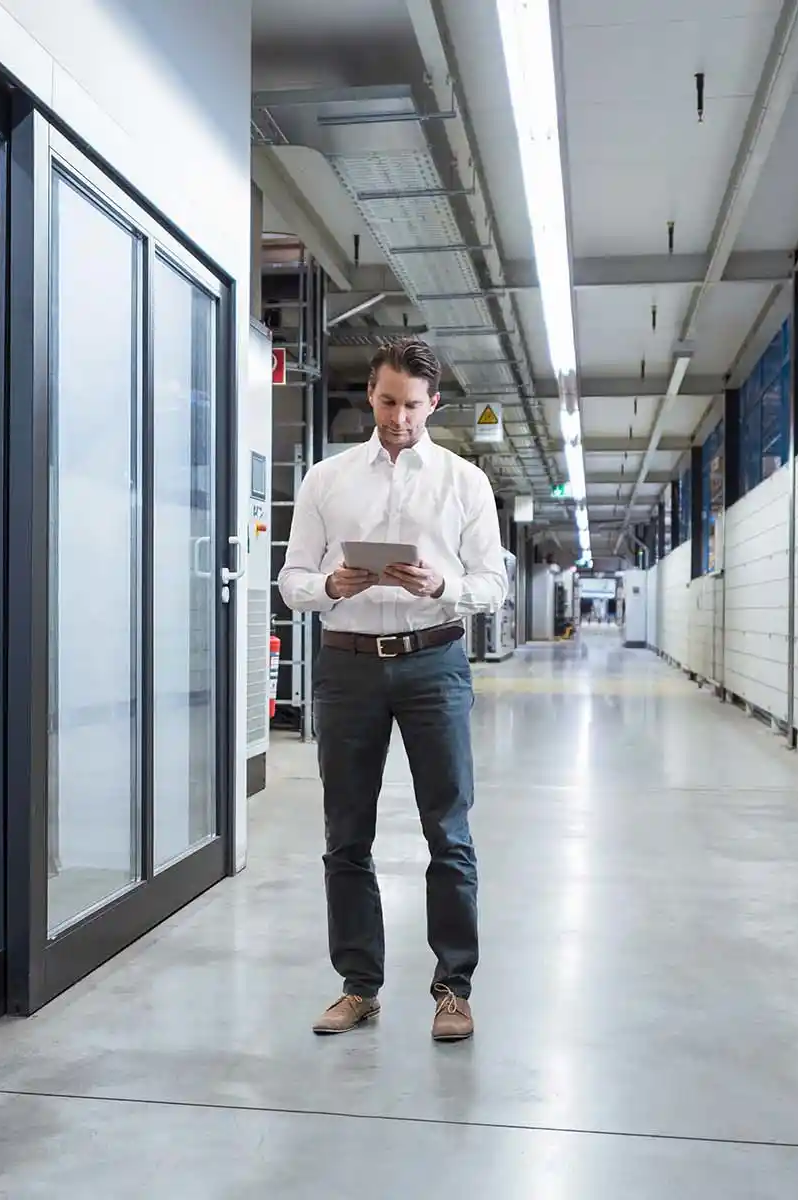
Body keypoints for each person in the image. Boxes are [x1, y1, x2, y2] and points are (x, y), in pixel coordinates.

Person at [278, 337, 507, 1043]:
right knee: (346, 834)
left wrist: (444, 585)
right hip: (347, 665)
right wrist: (331, 586)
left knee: (448, 829)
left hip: (434, 661)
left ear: (432, 403)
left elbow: (493, 586)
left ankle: (453, 989)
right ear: (369, 397)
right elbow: (292, 582)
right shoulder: (327, 479)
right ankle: (358, 986)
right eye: (385, 401)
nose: (398, 417)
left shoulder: (465, 483)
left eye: (411, 405)